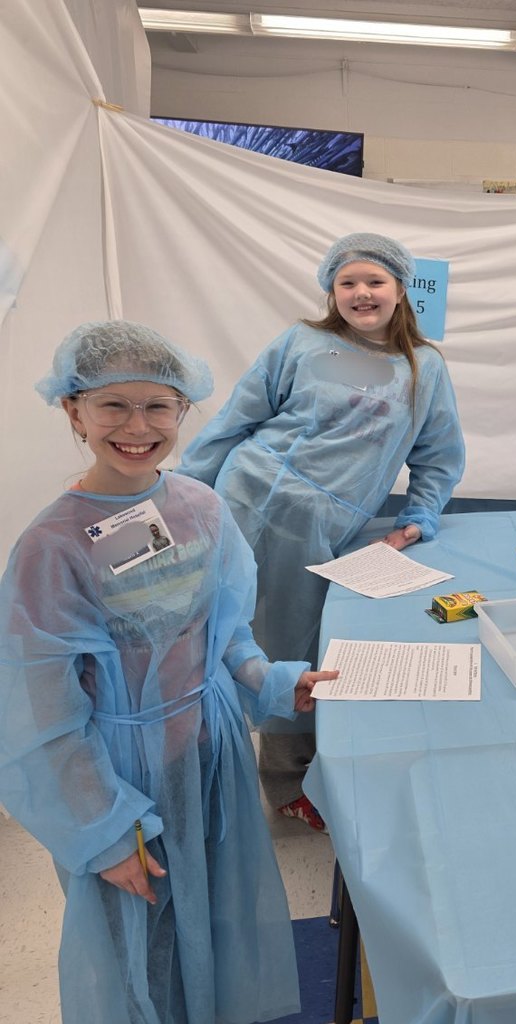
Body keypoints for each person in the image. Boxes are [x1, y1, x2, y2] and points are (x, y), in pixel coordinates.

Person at [0, 320, 339, 1023]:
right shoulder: (52, 548)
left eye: (157, 405)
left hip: (209, 757)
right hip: (125, 777)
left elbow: (225, 630)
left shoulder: (198, 508)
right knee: (139, 946)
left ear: (183, 410)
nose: (137, 426)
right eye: (113, 404)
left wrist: (272, 679)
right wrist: (102, 829)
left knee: (212, 919)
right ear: (73, 410)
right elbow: (44, 713)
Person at [177, 232, 466, 829]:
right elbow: (238, 418)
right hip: (243, 496)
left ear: (400, 288)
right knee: (210, 632)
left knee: (295, 646)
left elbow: (438, 455)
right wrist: (183, 491)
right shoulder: (300, 343)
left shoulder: (424, 366)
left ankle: (292, 774)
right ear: (331, 291)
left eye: (375, 281)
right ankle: (224, 776)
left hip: (316, 529)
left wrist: (420, 516)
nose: (362, 292)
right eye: (347, 282)